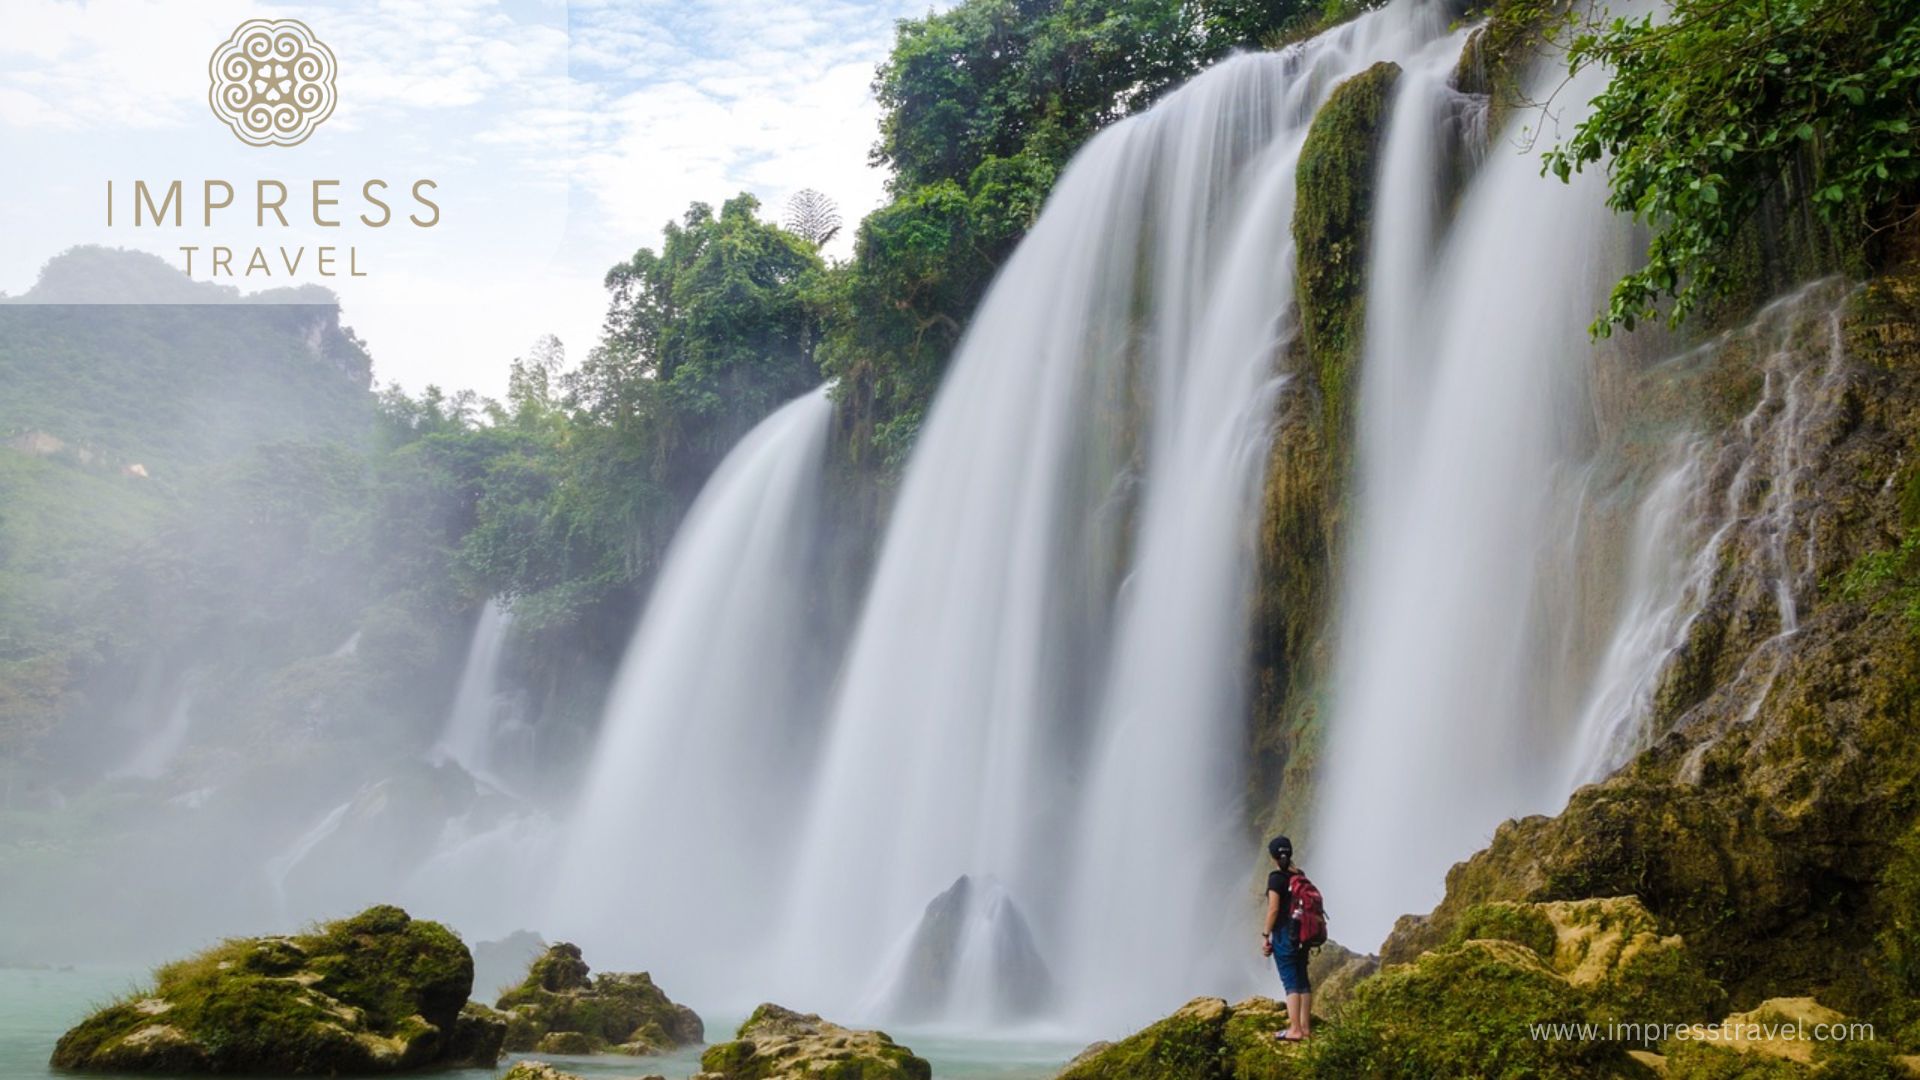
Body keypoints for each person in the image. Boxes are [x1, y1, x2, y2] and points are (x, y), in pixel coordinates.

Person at [1261, 834, 1312, 1041]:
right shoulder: (1300, 875)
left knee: (1290, 982)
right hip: (1303, 933)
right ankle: (1305, 1029)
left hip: (1284, 934)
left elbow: (1273, 909)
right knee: (1303, 980)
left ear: (1273, 856)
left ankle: (1295, 1030)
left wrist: (1265, 935)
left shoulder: (1276, 878)